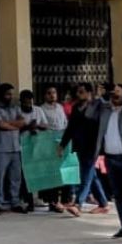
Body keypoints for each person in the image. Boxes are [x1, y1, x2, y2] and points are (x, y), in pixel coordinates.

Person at [88, 83, 122, 238]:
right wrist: (99, 97)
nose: (115, 95)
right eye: (114, 93)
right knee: (118, 195)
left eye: (118, 92)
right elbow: (89, 114)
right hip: (110, 158)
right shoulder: (105, 109)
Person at [60, 83, 108, 215]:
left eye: (81, 92)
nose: (78, 94)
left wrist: (99, 96)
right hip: (80, 145)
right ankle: (103, 203)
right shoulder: (76, 108)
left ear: (89, 93)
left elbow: (105, 110)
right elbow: (70, 128)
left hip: (93, 146)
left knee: (86, 175)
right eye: (77, 92)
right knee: (91, 175)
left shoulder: (98, 106)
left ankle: (78, 203)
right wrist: (62, 144)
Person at [0, 83, 28, 215]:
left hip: (15, 147)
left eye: (11, 94)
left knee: (15, 177)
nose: (10, 96)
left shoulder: (15, 107)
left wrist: (9, 124)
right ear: (1, 94)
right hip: (1, 147)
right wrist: (15, 125)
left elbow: (22, 122)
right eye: (7, 94)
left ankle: (15, 202)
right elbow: (0, 125)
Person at [37, 85, 72, 213]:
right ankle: (53, 201)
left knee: (64, 172)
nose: (52, 95)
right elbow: (44, 125)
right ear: (45, 95)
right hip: (49, 143)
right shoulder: (41, 109)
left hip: (62, 142)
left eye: (54, 93)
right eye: (49, 93)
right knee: (52, 174)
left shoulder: (60, 107)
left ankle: (64, 200)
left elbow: (64, 123)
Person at [16, 89, 48, 213]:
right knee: (25, 175)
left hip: (37, 146)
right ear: (21, 102)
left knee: (36, 174)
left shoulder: (38, 110)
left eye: (30, 103)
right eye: (25, 103)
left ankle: (38, 198)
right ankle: (28, 200)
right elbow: (15, 128)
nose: (28, 105)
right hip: (22, 146)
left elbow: (45, 125)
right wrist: (28, 127)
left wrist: (37, 126)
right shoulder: (17, 111)